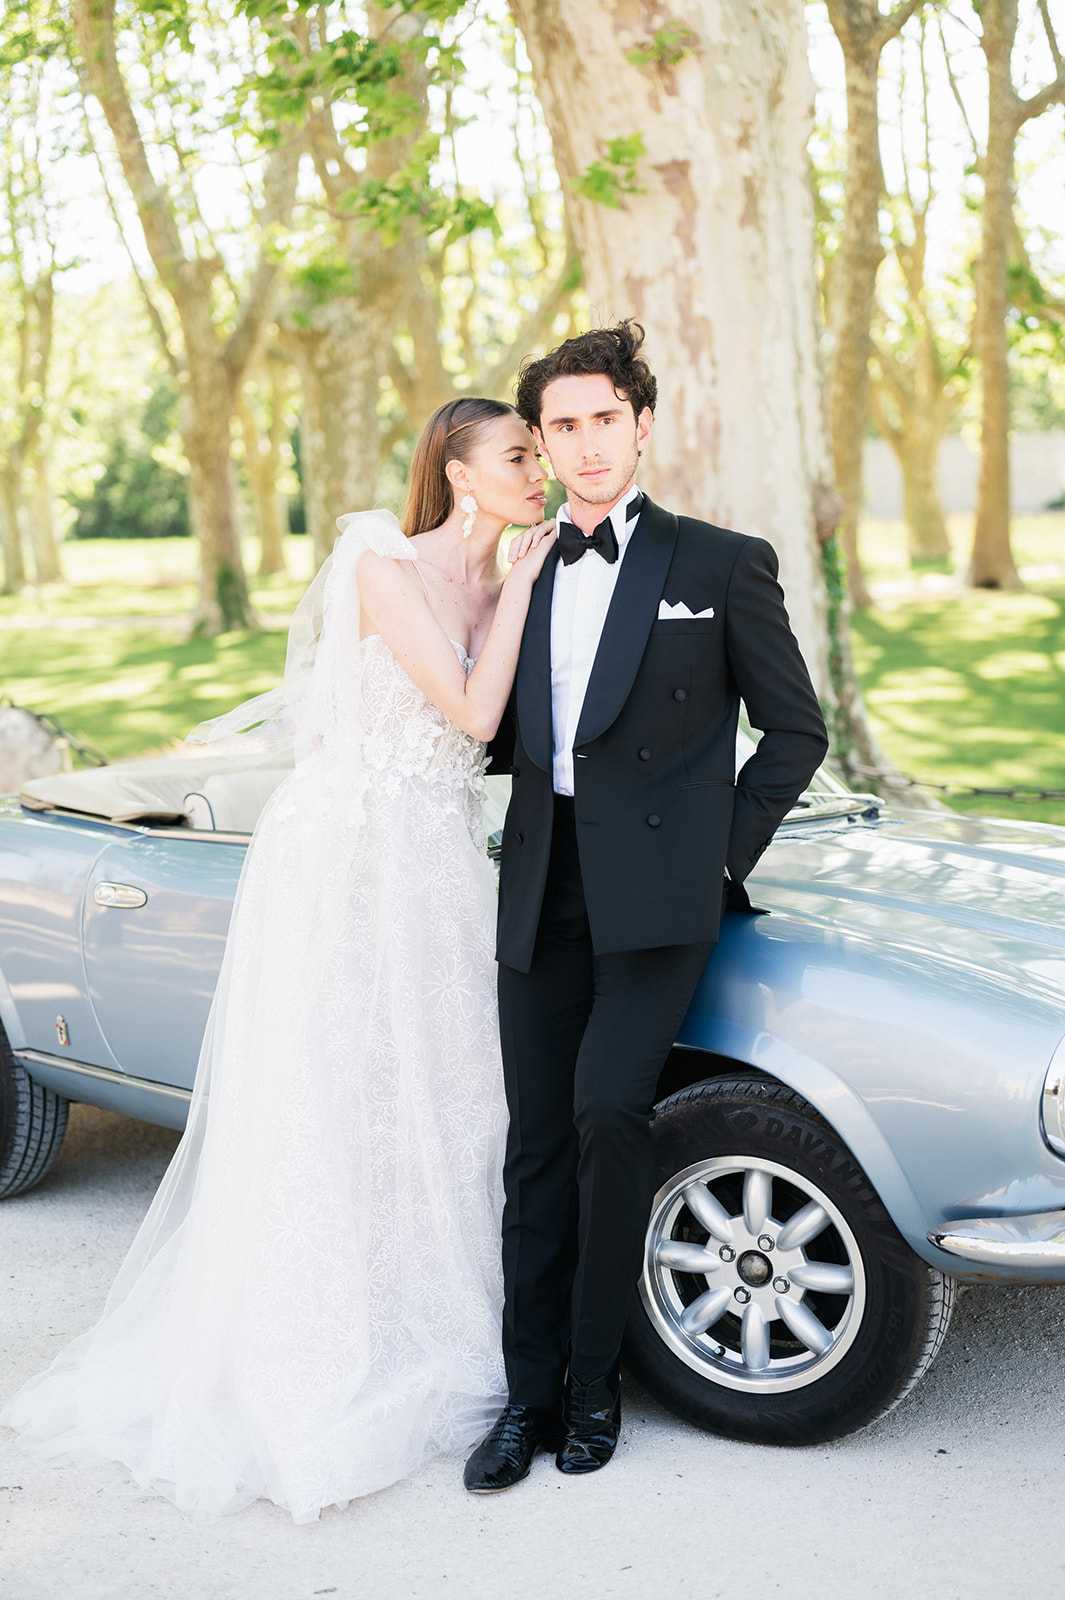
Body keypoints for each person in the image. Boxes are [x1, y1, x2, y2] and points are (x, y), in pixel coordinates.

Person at [0, 397, 556, 1525]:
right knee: (334, 1090)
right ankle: (308, 1349)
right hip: (350, 861)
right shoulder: (384, 565)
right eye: (518, 454)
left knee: (447, 1093)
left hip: (440, 858)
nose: (538, 471)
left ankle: (449, 1320)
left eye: (541, 455)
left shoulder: (504, 581)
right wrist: (529, 591)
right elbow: (468, 704)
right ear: (457, 475)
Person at [463, 321, 831, 1492]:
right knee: (532, 1146)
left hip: (659, 898)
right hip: (540, 882)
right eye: (559, 427)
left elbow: (796, 730)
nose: (582, 444)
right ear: (543, 441)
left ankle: (593, 1379)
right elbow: (481, 729)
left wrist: (718, 859)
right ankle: (523, 1400)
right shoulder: (521, 571)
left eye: (601, 419)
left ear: (642, 424)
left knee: (609, 1114)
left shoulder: (719, 562)